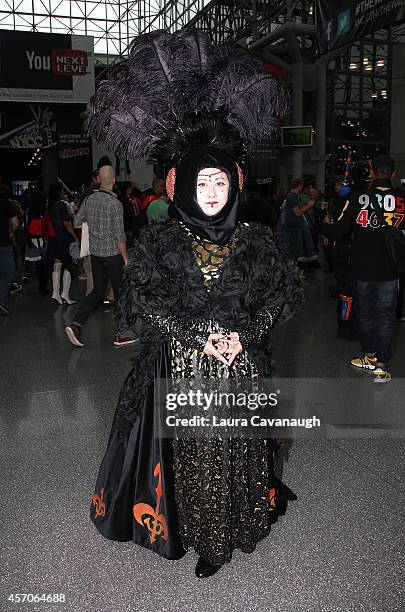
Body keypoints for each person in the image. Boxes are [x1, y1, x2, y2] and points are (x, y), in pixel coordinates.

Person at [85, 31, 303, 579]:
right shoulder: (161, 241)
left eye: (220, 179)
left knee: (232, 455)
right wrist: (192, 335)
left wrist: (244, 333)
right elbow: (140, 303)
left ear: (235, 183)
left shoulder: (255, 241)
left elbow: (281, 301)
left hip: (238, 371)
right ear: (181, 187)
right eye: (202, 180)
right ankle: (192, 533)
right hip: (177, 371)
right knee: (189, 459)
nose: (212, 190)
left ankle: (224, 540)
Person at [323, 154, 405, 382]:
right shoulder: (402, 199)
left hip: (360, 269)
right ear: (393, 174)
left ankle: (369, 355)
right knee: (386, 316)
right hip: (390, 270)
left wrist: (326, 225)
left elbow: (337, 232)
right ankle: (381, 366)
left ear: (373, 173)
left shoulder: (359, 198)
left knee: (365, 313)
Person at [65, 165, 134, 347]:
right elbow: (119, 236)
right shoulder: (115, 204)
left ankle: (76, 324)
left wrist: (95, 226)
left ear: (99, 180)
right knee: (121, 293)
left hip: (96, 255)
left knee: (97, 292)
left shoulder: (89, 200)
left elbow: (78, 222)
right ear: (114, 180)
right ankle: (122, 334)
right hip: (112, 255)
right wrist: (126, 258)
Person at [46, 182, 79, 305]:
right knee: (68, 265)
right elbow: (67, 223)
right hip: (63, 238)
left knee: (57, 263)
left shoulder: (50, 205)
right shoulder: (61, 205)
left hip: (54, 238)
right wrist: (75, 237)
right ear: (59, 191)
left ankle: (56, 294)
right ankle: (65, 294)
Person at [279, 177, 315, 262]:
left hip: (294, 225)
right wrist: (308, 206)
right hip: (293, 227)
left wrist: (306, 205)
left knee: (294, 250)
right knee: (293, 251)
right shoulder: (292, 196)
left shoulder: (293, 196)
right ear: (299, 185)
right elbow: (298, 213)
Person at [0, 189, 19, 314]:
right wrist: (12, 234)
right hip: (3, 242)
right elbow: (15, 223)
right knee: (9, 271)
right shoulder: (4, 202)